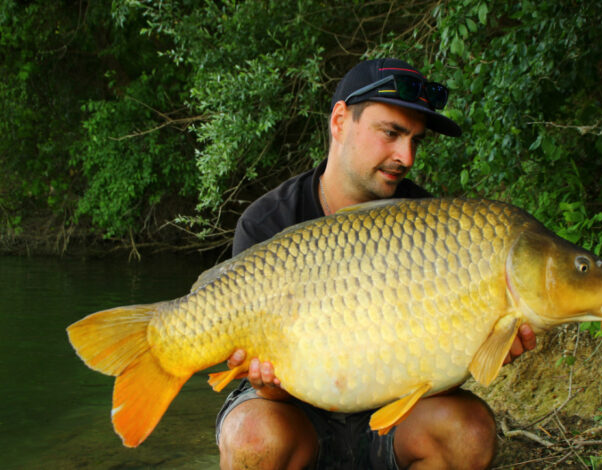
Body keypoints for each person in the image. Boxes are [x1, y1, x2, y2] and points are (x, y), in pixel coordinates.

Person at [212, 58, 537, 470]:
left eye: (415, 141)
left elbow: (435, 364)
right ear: (340, 121)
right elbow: (259, 383)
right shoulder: (269, 221)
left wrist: (484, 349)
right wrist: (265, 381)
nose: (406, 157)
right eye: (391, 133)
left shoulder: (433, 224)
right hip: (297, 414)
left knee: (468, 433)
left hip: (393, 419)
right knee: (252, 439)